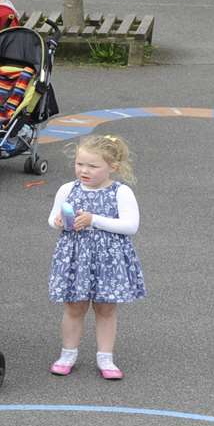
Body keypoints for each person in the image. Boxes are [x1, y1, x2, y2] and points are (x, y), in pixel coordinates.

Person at [48, 134, 144, 380]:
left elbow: (131, 226)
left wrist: (93, 220)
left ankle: (106, 358)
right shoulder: (67, 189)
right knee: (74, 306)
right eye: (80, 164)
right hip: (75, 256)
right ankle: (67, 354)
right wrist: (59, 221)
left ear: (112, 167)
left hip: (108, 258)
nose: (84, 170)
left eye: (92, 166)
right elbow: (53, 219)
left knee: (106, 308)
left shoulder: (121, 192)